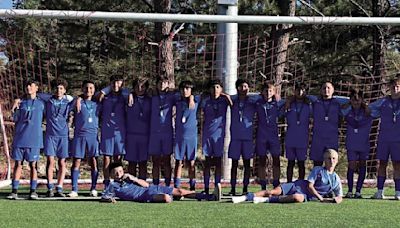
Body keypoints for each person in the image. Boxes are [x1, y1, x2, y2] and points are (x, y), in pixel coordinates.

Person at [232, 149, 343, 204]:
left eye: (333, 158)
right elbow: (310, 186)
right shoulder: (318, 169)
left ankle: (265, 200)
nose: (331, 161)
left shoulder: (336, 179)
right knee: (272, 191)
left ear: (337, 161)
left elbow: (340, 196)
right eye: (328, 158)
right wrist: (321, 198)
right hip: (298, 185)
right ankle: (245, 197)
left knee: (297, 198)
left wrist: (337, 200)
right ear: (324, 159)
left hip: (305, 196)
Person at [101, 162, 221, 203]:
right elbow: (104, 197)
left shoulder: (128, 178)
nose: (119, 174)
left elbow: (146, 185)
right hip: (144, 196)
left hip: (151, 188)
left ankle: (211, 196)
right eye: (116, 173)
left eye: (120, 171)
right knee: (166, 198)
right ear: (111, 174)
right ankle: (175, 197)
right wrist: (109, 199)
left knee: (180, 191)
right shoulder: (112, 185)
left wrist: (134, 178)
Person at [7, 80, 46, 200]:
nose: (28, 87)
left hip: (34, 139)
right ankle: (14, 191)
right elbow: (13, 118)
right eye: (27, 86)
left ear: (37, 88)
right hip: (20, 138)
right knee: (18, 164)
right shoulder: (21, 103)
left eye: (31, 86)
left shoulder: (42, 103)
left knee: (33, 165)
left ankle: (33, 191)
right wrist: (14, 108)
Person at [68, 80, 102, 197]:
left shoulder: (98, 103)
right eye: (86, 88)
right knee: (76, 161)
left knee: (93, 161)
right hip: (79, 135)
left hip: (93, 135)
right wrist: (78, 98)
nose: (88, 90)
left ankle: (93, 188)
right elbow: (65, 99)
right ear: (82, 89)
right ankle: (74, 189)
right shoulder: (77, 102)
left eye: (91, 88)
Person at [43, 78, 75, 197]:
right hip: (50, 135)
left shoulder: (68, 101)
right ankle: (50, 187)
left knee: (62, 162)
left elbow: (80, 98)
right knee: (50, 161)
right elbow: (34, 94)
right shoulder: (48, 99)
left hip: (63, 136)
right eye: (56, 88)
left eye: (61, 88)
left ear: (65, 90)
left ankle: (60, 187)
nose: (58, 90)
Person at [369, 78, 400, 199]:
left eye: (397, 86)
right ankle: (380, 191)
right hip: (384, 138)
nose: (395, 88)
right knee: (382, 164)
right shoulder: (384, 101)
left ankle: (398, 192)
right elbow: (370, 108)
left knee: (397, 165)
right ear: (389, 88)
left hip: (398, 139)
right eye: (393, 86)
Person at [200, 79, 232, 194]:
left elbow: (233, 106)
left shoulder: (224, 101)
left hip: (219, 135)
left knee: (218, 161)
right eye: (213, 87)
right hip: (208, 134)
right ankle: (206, 188)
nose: (215, 90)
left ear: (221, 89)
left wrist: (227, 96)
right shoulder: (206, 101)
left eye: (218, 87)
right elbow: (198, 109)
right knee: (207, 162)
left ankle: (217, 186)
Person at [228, 79, 257, 195]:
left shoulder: (252, 101)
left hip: (247, 137)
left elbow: (266, 95)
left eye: (246, 86)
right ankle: (233, 188)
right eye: (241, 87)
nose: (244, 89)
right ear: (237, 88)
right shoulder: (232, 100)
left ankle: (245, 188)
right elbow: (223, 95)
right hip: (235, 137)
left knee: (246, 164)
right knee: (234, 164)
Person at [99, 74, 128, 190]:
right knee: (107, 158)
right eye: (114, 82)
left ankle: (118, 183)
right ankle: (107, 184)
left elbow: (133, 93)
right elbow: (95, 96)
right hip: (107, 131)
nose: (116, 85)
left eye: (119, 82)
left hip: (120, 131)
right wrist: (105, 90)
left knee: (118, 158)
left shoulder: (125, 96)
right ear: (110, 84)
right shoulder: (105, 96)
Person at [342, 88, 372, 199]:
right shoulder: (347, 111)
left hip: (364, 143)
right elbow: (338, 102)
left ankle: (358, 190)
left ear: (362, 100)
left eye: (358, 100)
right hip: (351, 142)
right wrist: (348, 102)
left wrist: (365, 105)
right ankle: (350, 190)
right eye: (354, 100)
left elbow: (376, 108)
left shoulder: (368, 111)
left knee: (363, 164)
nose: (356, 102)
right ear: (350, 100)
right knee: (352, 165)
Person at [255, 82, 285, 190]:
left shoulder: (277, 103)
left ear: (274, 92)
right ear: (262, 92)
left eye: (270, 90)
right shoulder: (258, 103)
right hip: (262, 135)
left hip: (273, 135)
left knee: (276, 160)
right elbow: (249, 96)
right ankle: (263, 184)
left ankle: (276, 183)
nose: (268, 92)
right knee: (262, 160)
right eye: (266, 90)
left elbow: (288, 101)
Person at [173, 80, 200, 190]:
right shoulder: (177, 100)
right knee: (178, 161)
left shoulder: (197, 100)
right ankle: (177, 186)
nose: (185, 91)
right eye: (183, 89)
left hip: (192, 136)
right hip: (180, 135)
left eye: (187, 89)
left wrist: (192, 97)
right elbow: (168, 92)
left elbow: (203, 94)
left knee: (191, 162)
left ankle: (192, 187)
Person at [284, 83, 311, 183]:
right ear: (294, 91)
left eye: (302, 90)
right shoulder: (289, 104)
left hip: (302, 139)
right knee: (290, 163)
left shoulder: (309, 105)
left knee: (301, 163)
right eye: (298, 90)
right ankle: (289, 184)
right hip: (291, 138)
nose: (300, 92)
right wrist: (288, 100)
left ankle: (300, 184)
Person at [125, 78, 152, 180]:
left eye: (142, 86)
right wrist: (130, 93)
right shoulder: (127, 97)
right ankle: (131, 186)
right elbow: (116, 89)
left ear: (146, 88)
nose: (139, 89)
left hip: (145, 135)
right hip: (131, 135)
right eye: (137, 86)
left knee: (143, 163)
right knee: (131, 162)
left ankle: (142, 186)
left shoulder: (150, 100)